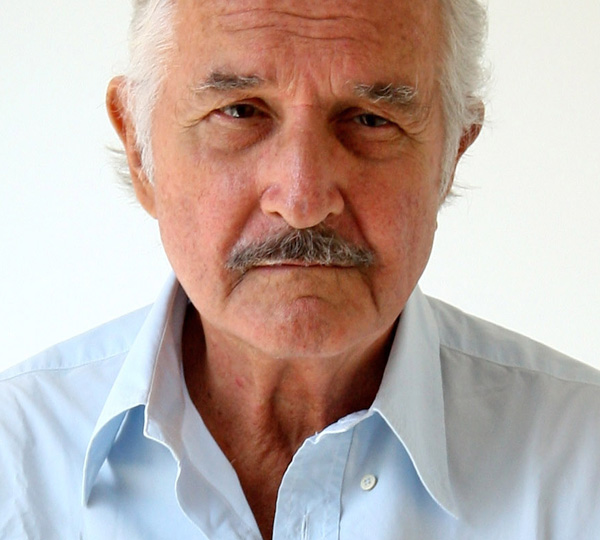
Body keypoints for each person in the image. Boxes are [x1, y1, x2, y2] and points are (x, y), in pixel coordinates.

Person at [1, 0, 599, 538]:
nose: (303, 198)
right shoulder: (15, 460)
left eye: (370, 119)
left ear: (451, 157)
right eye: (241, 111)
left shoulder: (583, 464)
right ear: (139, 148)